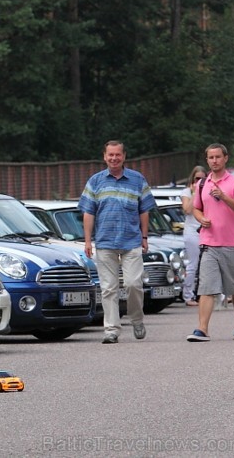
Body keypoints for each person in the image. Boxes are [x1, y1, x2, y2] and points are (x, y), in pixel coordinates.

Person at [79, 140, 156, 344]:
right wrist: (87, 241)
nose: (114, 158)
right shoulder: (95, 181)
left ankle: (137, 319)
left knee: (133, 284)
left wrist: (145, 236)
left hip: (131, 241)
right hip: (104, 241)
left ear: (124, 156)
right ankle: (111, 329)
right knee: (108, 288)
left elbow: (144, 210)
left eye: (118, 155)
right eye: (110, 155)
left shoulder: (137, 180)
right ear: (104, 157)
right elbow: (88, 212)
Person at [187, 143, 234, 342]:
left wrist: (223, 196)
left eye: (218, 157)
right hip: (208, 243)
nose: (214, 161)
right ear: (207, 160)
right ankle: (202, 329)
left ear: (225, 158)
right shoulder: (201, 184)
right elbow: (196, 208)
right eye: (211, 158)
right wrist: (200, 218)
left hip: (231, 243)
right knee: (206, 287)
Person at [179, 166, 207, 306]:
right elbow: (187, 209)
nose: (200, 181)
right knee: (193, 264)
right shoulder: (187, 192)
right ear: (192, 179)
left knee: (210, 264)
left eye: (203, 179)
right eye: (197, 178)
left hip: (206, 230)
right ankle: (188, 295)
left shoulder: (208, 191)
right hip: (191, 231)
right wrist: (196, 192)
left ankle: (216, 295)